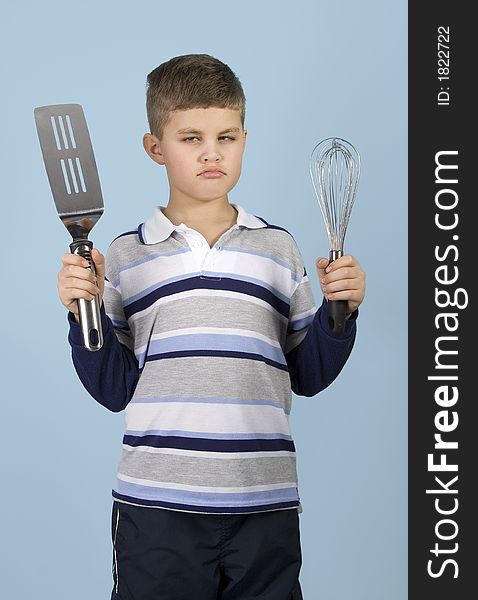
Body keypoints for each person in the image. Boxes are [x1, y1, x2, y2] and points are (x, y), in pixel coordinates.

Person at [58, 54, 365, 600]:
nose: (211, 152)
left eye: (226, 136)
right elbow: (112, 389)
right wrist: (81, 309)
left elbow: (308, 373)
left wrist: (339, 314)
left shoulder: (277, 247)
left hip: (265, 505)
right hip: (159, 509)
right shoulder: (126, 256)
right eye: (190, 137)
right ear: (156, 147)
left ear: (245, 137)